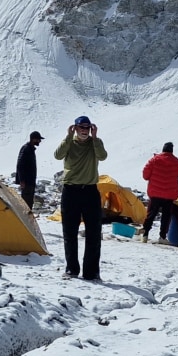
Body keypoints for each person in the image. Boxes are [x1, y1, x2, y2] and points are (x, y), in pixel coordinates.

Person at [54, 115, 107, 280]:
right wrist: (68, 137)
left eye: (87, 127)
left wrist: (96, 137)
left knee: (93, 232)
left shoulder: (94, 144)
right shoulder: (69, 142)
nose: (84, 131)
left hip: (90, 191)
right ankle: (72, 269)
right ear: (75, 128)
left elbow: (102, 156)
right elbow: (58, 155)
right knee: (69, 232)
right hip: (70, 191)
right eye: (81, 127)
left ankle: (91, 272)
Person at [141, 141, 178, 243]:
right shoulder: (176, 161)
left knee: (151, 214)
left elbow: (145, 175)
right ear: (172, 151)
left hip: (155, 193)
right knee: (166, 217)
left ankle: (144, 235)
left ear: (163, 149)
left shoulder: (154, 160)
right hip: (169, 195)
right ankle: (162, 237)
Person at [15, 131, 44, 209]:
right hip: (27, 182)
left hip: (30, 182)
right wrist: (22, 181)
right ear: (33, 139)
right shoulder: (26, 149)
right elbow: (20, 165)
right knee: (26, 204)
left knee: (29, 203)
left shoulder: (30, 149)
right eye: (38, 139)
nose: (39, 141)